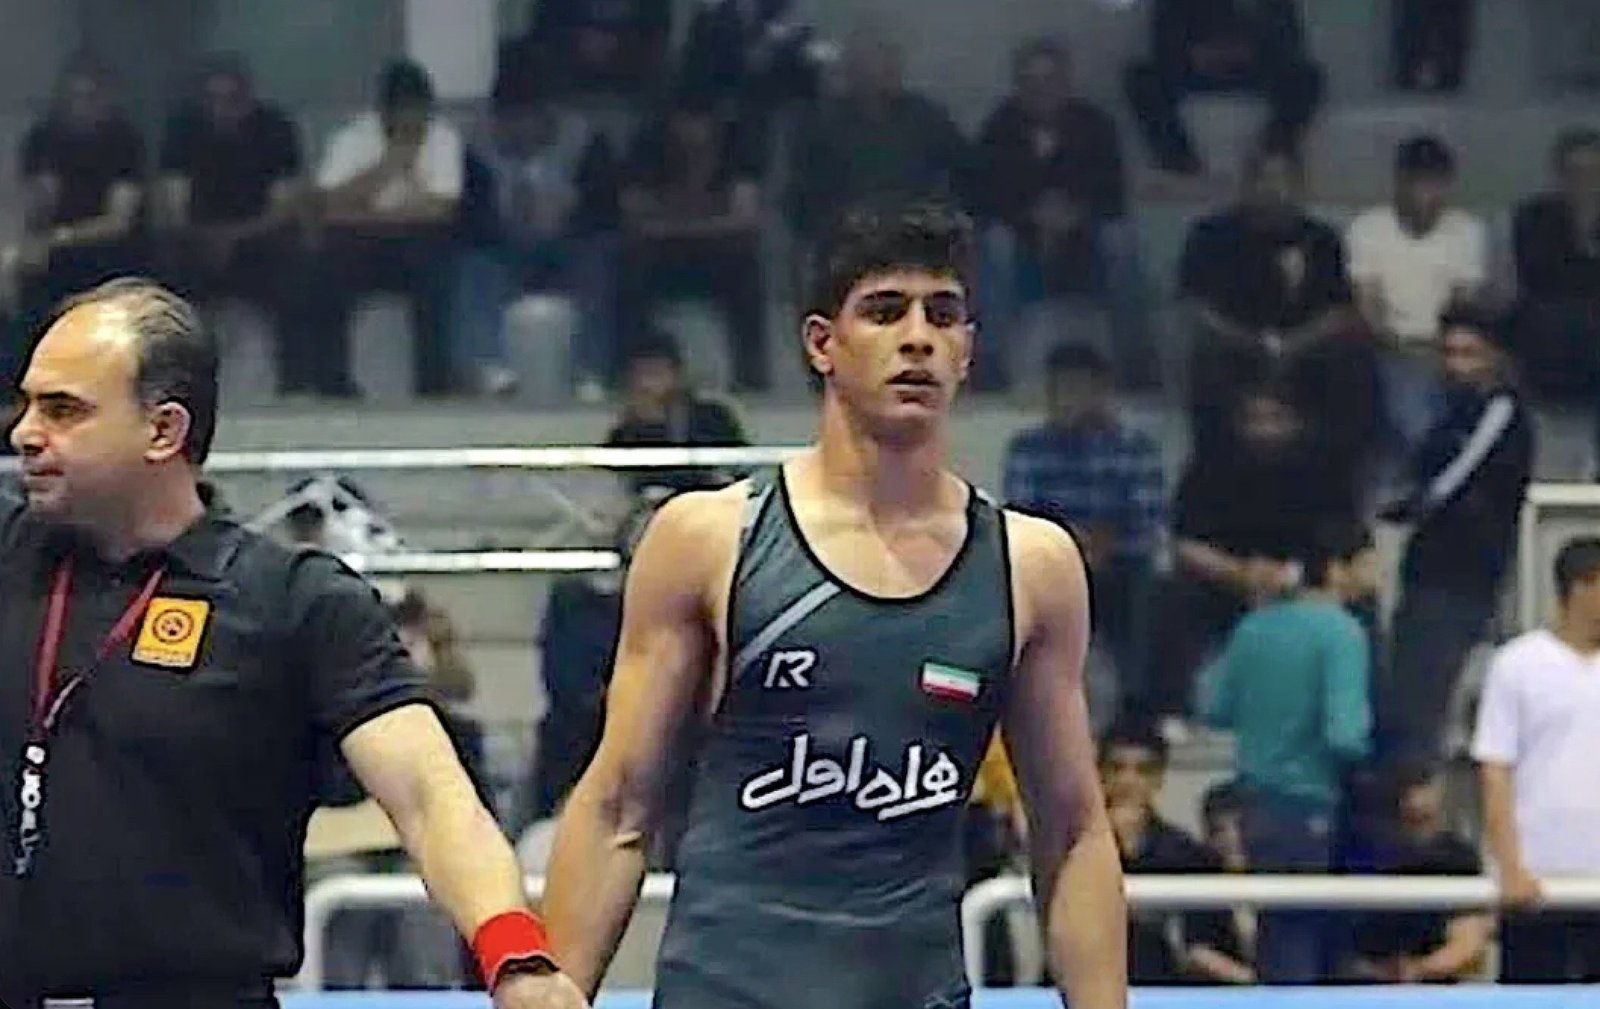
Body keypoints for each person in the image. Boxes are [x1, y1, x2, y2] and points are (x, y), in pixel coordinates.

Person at [541, 198, 1128, 1009]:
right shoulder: (711, 539)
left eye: (942, 314)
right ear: (822, 343)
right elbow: (618, 807)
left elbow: (1072, 832)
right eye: (885, 311)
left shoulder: (1032, 565)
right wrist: (553, 992)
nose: (917, 337)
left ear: (967, 350)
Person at [0, 278, 585, 1009]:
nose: (25, 431)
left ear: (163, 431)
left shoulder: (294, 601)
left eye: (63, 410)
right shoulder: (11, 554)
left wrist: (517, 959)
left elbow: (430, 796)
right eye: (28, 403)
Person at [1197, 519, 1378, 983]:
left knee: (1274, 938)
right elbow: (1345, 733)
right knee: (1307, 943)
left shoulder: (1253, 626)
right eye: (1365, 563)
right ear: (1336, 568)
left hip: (1254, 806)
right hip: (1310, 804)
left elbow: (1214, 708)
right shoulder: (1341, 632)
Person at [1379, 303, 1534, 763]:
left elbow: (1446, 484)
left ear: (1496, 357)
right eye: (1448, 353)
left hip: (1463, 577)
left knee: (1426, 699)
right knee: (1409, 693)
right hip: (1426, 571)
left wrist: (1408, 506)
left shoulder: (1500, 414)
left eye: (1469, 354)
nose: (1456, 366)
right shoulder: (1447, 415)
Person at [1472, 536, 1600, 983]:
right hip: (1537, 877)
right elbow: (1495, 770)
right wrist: (1510, 866)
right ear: (1582, 587)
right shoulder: (1518, 664)